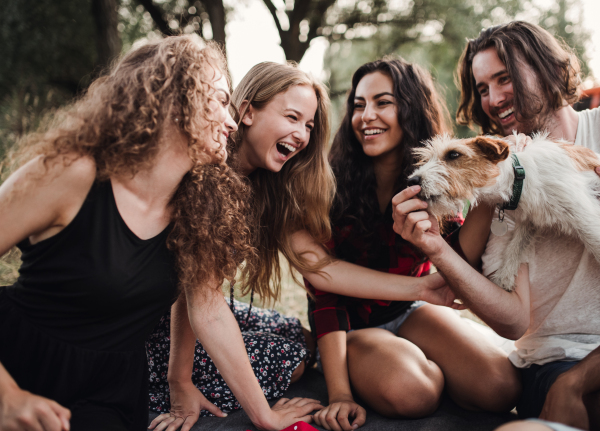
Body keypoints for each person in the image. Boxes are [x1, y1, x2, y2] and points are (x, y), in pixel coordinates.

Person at [0, 36, 320, 431]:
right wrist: (7, 396)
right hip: (21, 362)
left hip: (110, 388)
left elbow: (208, 309)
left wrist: (265, 417)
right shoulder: (73, 172)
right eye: (220, 100)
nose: (232, 120)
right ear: (175, 99)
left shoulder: (201, 204)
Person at [290, 56, 520, 431]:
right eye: (359, 105)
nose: (367, 116)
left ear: (411, 108)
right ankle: (402, 368)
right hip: (351, 327)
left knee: (500, 388)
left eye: (383, 102)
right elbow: (324, 292)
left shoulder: (437, 178)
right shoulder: (327, 185)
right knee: (416, 392)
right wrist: (340, 393)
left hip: (412, 308)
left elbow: (457, 264)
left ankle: (425, 364)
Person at [392, 21, 600, 430]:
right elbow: (513, 321)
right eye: (482, 88)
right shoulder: (499, 181)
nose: (493, 99)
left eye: (504, 78)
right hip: (556, 362)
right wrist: (435, 248)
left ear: (550, 69)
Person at [147, 61, 334, 431]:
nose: (301, 134)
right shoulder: (210, 171)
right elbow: (200, 301)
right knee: (291, 357)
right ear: (247, 112)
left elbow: (196, 287)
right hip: (150, 324)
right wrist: (262, 415)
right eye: (292, 117)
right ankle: (158, 382)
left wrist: (421, 286)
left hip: (189, 304)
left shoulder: (257, 180)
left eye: (308, 125)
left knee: (301, 337)